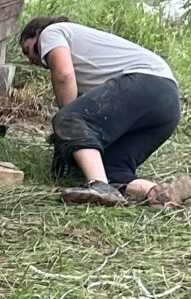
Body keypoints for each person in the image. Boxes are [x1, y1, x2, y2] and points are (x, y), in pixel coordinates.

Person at [17, 14, 182, 207]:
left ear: (36, 33)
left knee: (68, 119)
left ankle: (100, 187)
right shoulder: (90, 71)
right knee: (112, 168)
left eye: (27, 50)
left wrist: (66, 124)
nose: (31, 60)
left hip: (145, 82)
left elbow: (63, 75)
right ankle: (166, 194)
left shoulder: (51, 32)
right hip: (167, 104)